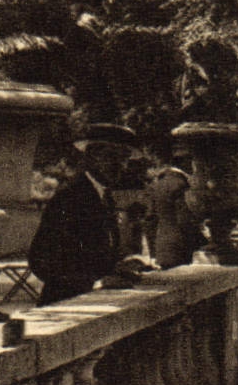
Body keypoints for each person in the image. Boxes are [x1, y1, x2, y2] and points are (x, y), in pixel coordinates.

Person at [28, 123, 151, 305]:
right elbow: (41, 260)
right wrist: (94, 283)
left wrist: (117, 268)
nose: (120, 165)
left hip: (94, 302)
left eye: (124, 159)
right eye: (111, 156)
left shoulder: (104, 197)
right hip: (64, 305)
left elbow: (92, 255)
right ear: (91, 157)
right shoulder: (70, 197)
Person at [146, 159, 202, 269]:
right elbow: (184, 217)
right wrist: (200, 240)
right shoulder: (182, 184)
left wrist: (153, 251)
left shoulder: (156, 184)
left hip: (162, 243)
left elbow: (150, 217)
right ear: (189, 165)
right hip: (181, 243)